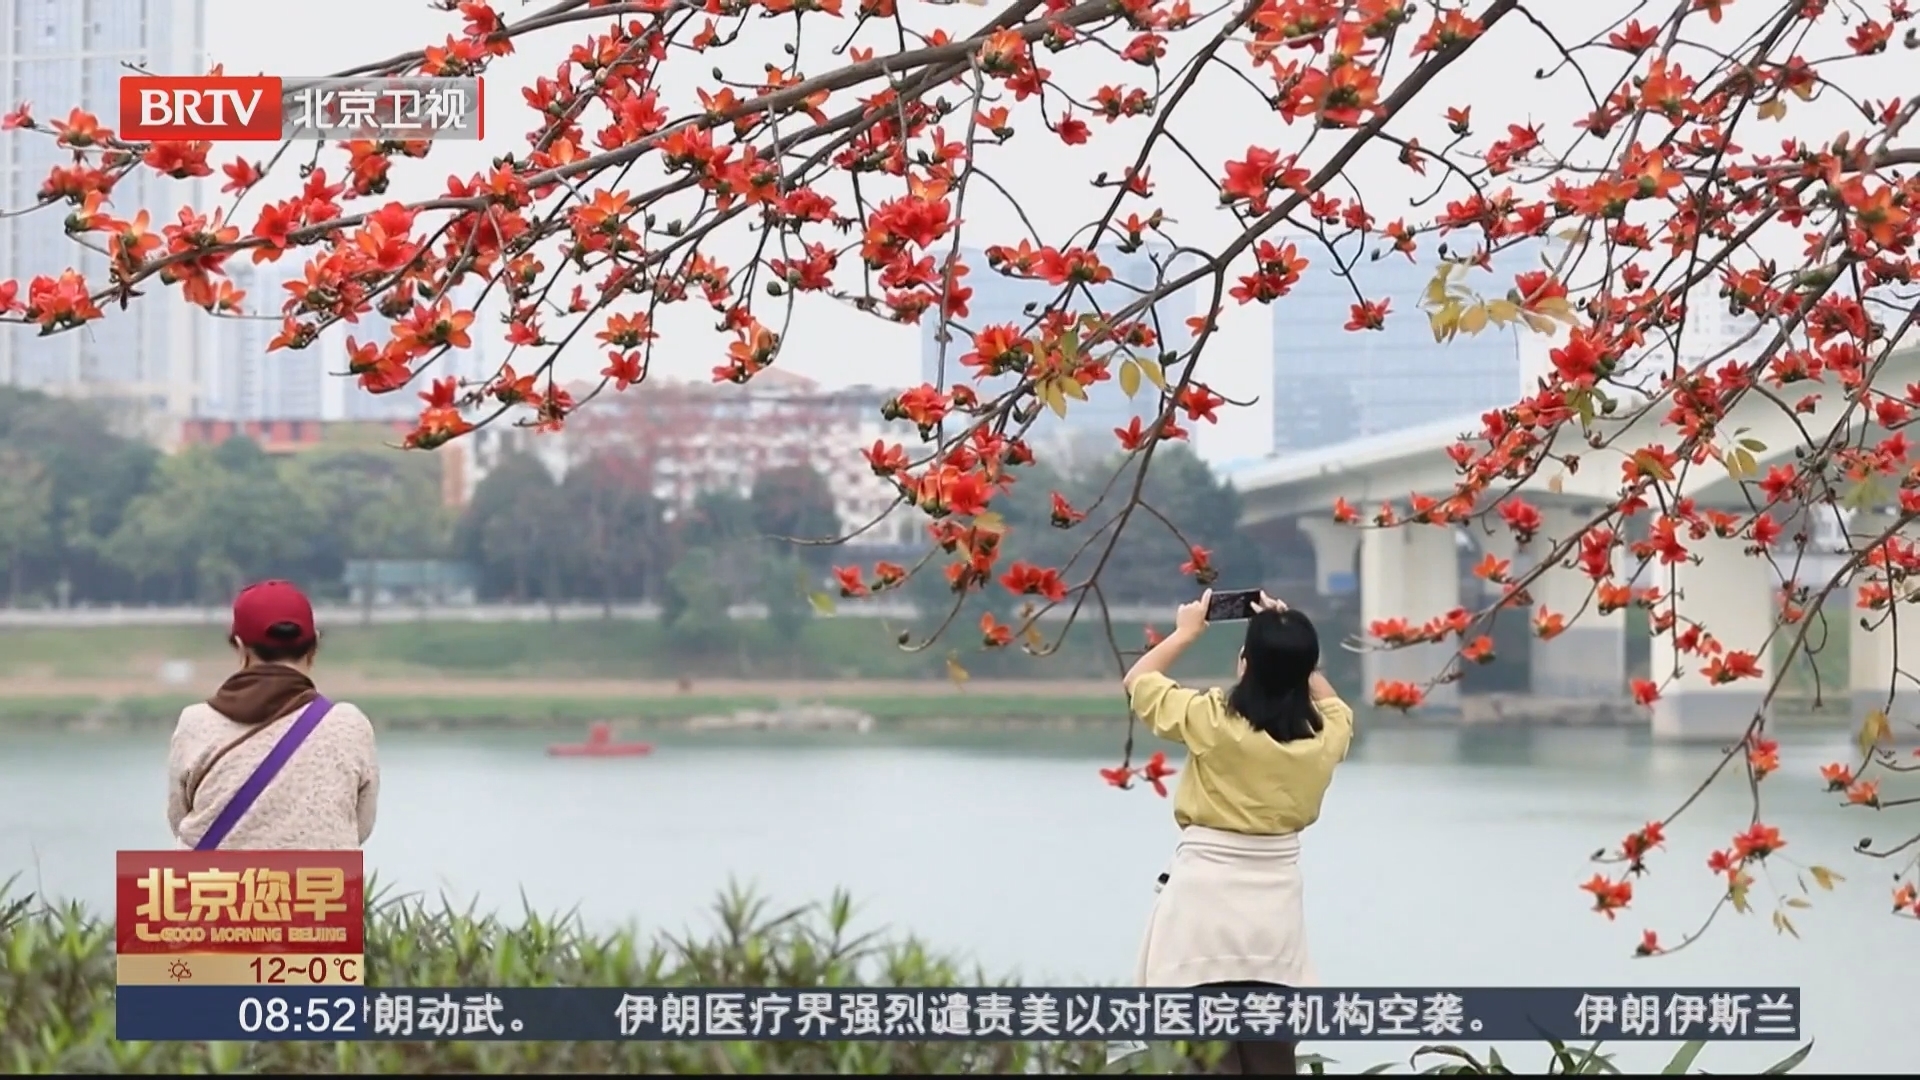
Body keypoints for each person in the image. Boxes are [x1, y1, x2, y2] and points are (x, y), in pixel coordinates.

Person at [1122, 589, 1354, 1075]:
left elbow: (1138, 681)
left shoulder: (1214, 721)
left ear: (1245, 665)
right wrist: (1290, 649)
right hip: (1276, 911)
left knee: (1205, 1050)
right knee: (1271, 1052)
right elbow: (1333, 704)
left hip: (1203, 902)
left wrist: (1186, 632)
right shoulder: (1327, 736)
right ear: (1305, 672)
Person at [167, 580, 380, 851]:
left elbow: (180, 821)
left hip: (214, 879)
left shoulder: (196, 723)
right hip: (319, 878)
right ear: (314, 644)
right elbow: (361, 825)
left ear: (240, 647)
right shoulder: (350, 725)